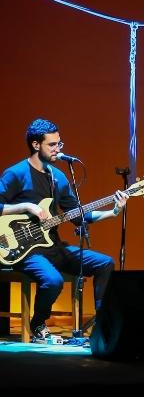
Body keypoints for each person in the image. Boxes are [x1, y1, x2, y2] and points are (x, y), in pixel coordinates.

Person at [0, 119, 129, 341]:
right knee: (54, 280)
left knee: (105, 263)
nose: (58, 149)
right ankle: (38, 323)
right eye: (52, 144)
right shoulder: (16, 173)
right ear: (35, 145)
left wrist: (113, 211)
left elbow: (79, 215)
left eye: (60, 143)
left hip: (52, 246)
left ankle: (103, 321)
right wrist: (25, 206)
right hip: (23, 249)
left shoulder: (57, 177)